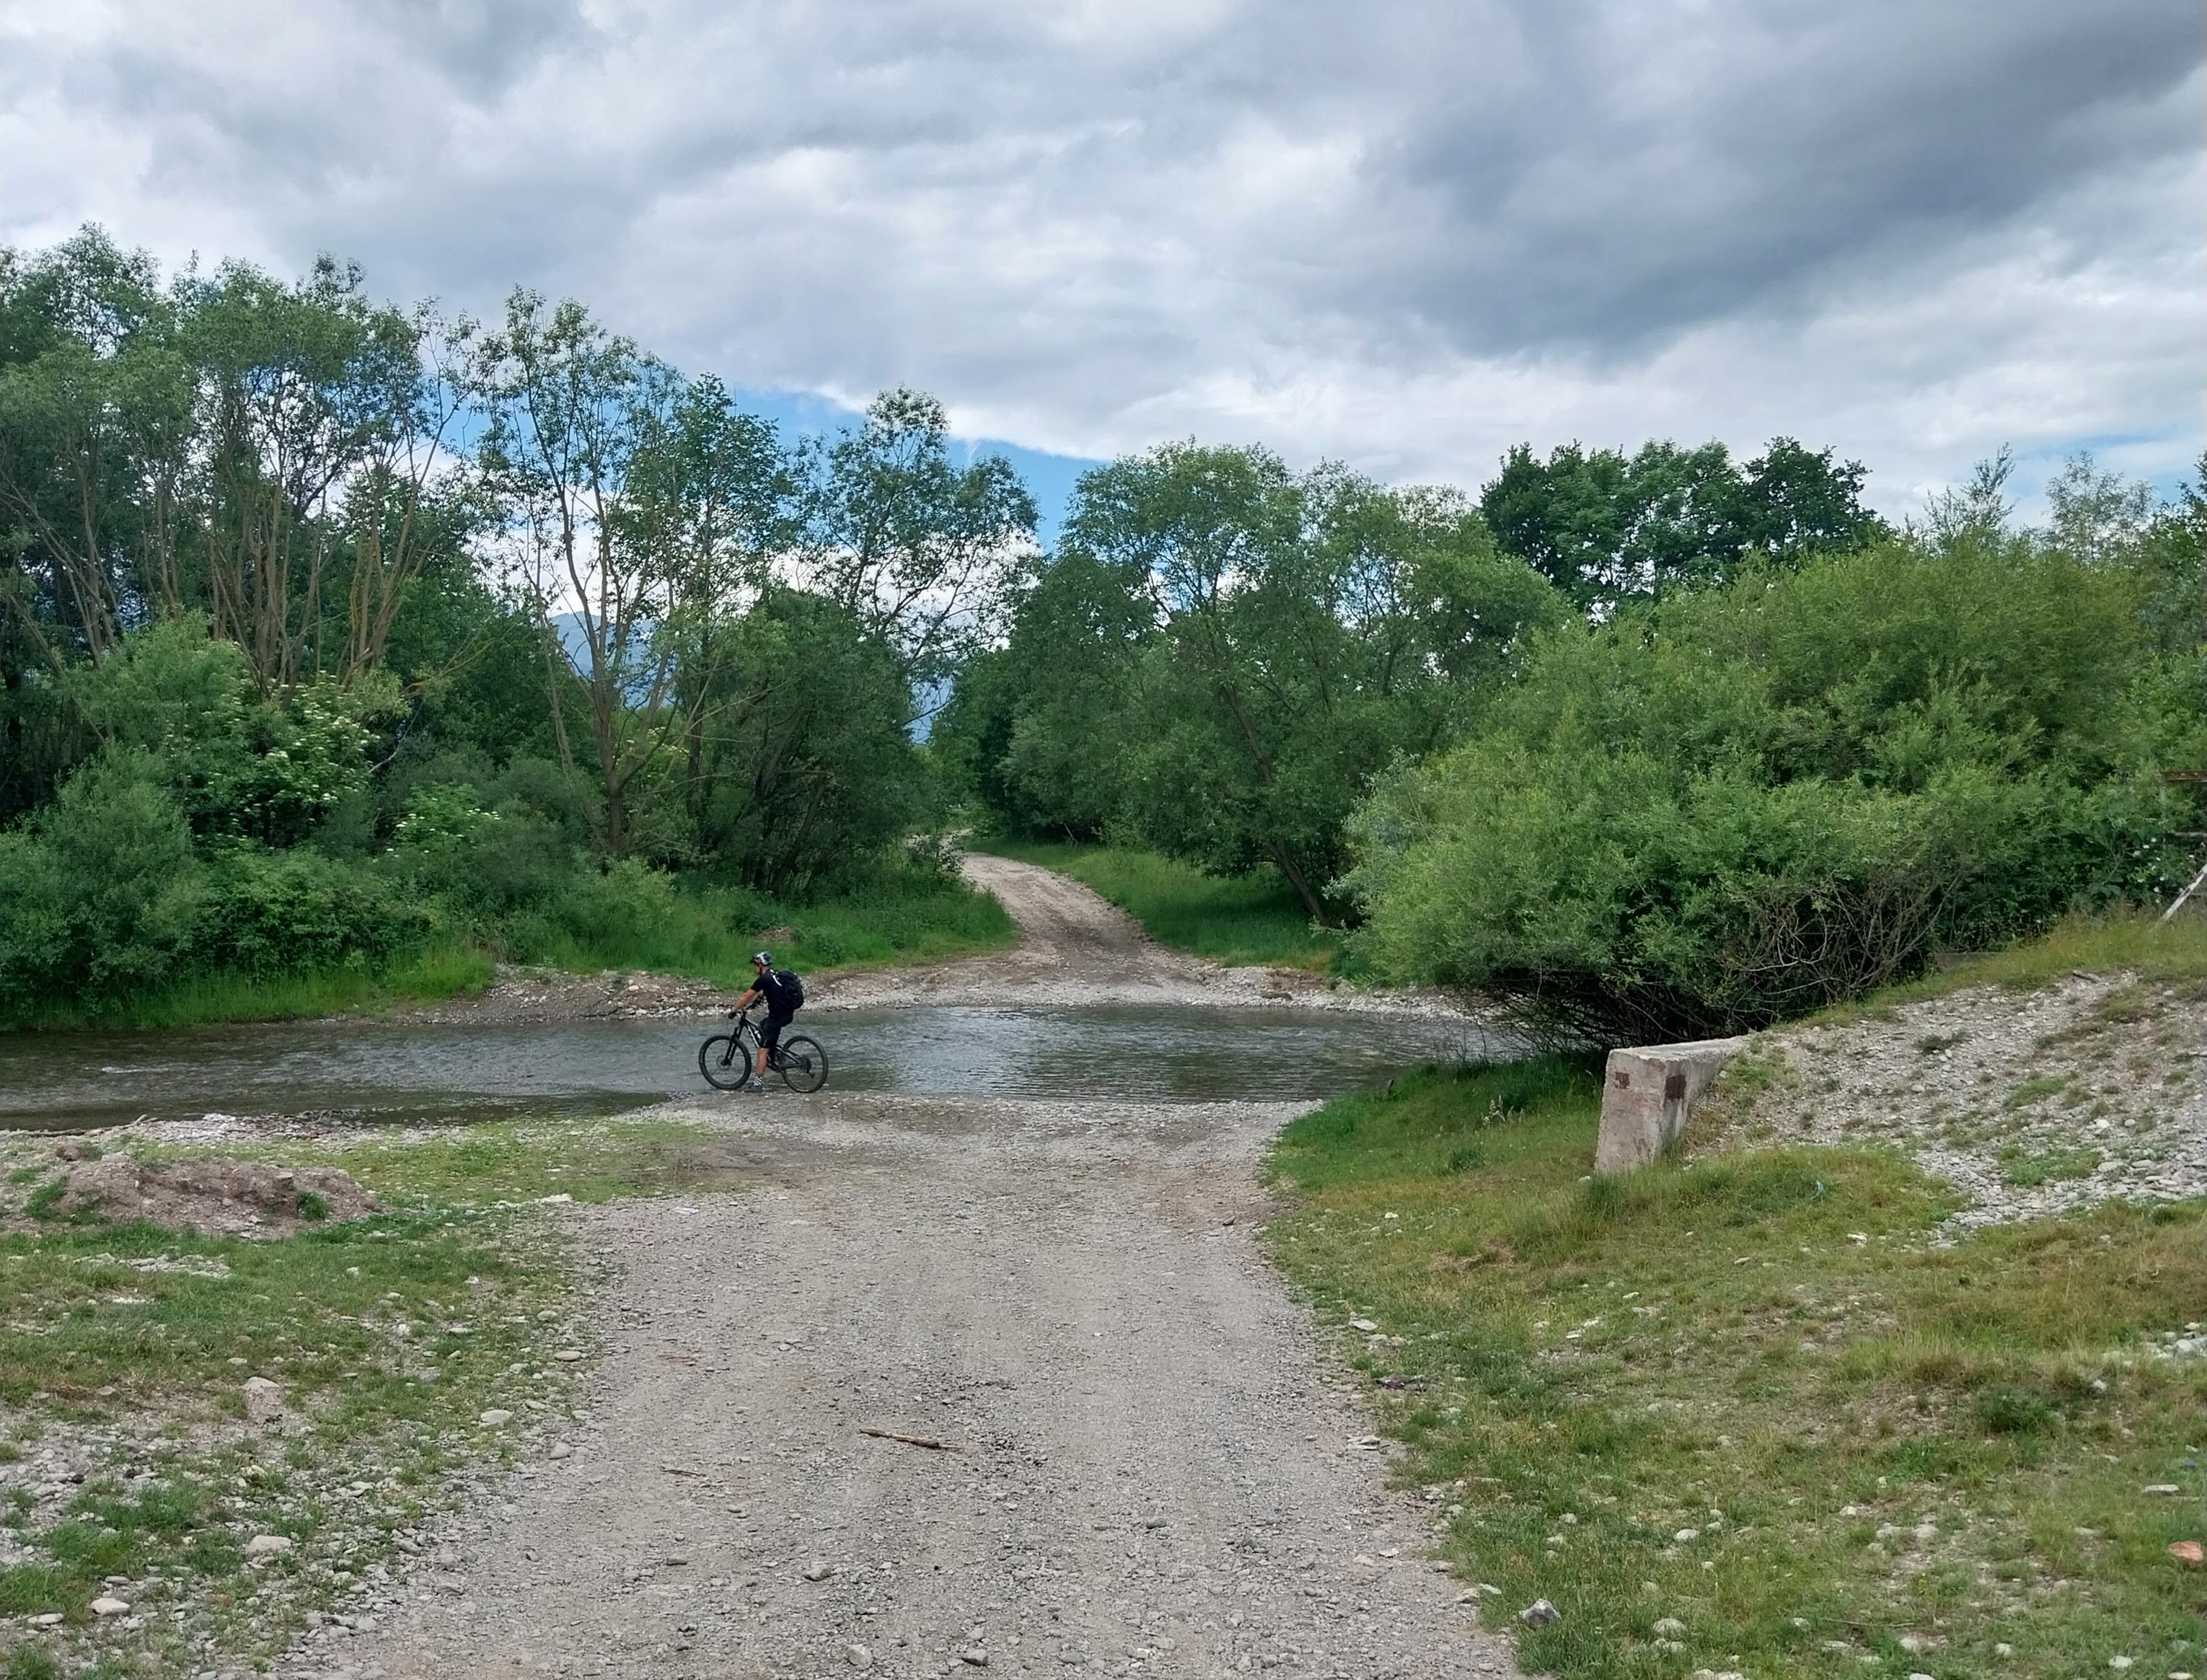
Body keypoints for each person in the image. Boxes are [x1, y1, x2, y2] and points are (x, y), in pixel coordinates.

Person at [727, 950, 800, 1093]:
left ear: (760, 964)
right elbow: (764, 994)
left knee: (762, 1050)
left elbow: (746, 996)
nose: (755, 968)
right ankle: (774, 1055)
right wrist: (754, 1005)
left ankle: (758, 1084)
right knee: (761, 1026)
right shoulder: (774, 975)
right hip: (787, 1014)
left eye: (755, 965)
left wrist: (734, 1010)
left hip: (777, 1018)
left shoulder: (763, 979)